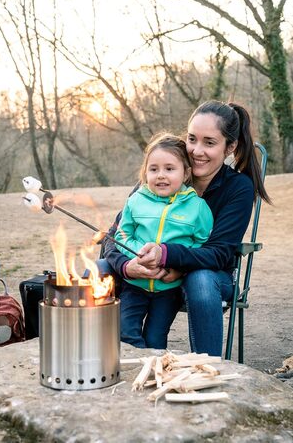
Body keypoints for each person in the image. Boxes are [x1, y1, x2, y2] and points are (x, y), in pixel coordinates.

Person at [103, 100, 271, 356]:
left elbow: (219, 254)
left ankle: (208, 367)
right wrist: (128, 266)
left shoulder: (238, 188)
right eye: (192, 139)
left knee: (200, 279)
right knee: (99, 267)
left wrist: (171, 259)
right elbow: (113, 237)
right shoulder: (158, 178)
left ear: (230, 147)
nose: (196, 150)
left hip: (211, 277)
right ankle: (95, 357)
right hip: (143, 273)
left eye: (209, 142)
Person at [113, 133, 213, 349]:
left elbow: (202, 245)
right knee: (125, 332)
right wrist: (139, 256)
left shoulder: (197, 208)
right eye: (154, 169)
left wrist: (178, 266)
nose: (161, 175)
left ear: (186, 173)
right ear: (145, 172)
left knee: (155, 339)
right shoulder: (136, 200)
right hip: (134, 284)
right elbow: (121, 235)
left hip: (169, 289)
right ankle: (134, 371)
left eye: (169, 169)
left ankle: (153, 374)